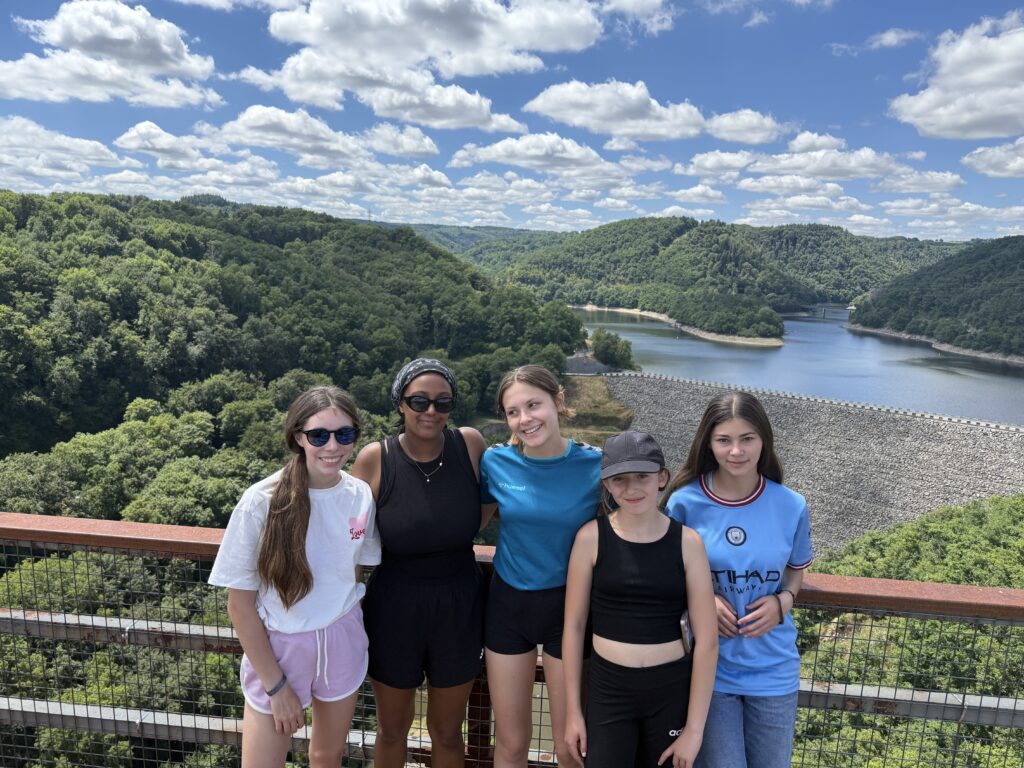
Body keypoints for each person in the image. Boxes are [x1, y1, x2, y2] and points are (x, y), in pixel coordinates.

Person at [209, 386, 380, 768]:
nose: (332, 446)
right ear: (298, 437)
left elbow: (353, 568)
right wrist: (276, 686)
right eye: (319, 435)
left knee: (326, 757)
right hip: (281, 651)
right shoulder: (261, 501)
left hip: (343, 639)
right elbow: (239, 606)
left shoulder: (360, 495)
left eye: (344, 434)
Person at [662, 391, 813, 768]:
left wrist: (783, 602)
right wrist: (703, 601)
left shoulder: (791, 505)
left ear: (764, 440)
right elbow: (666, 578)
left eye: (747, 439)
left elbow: (796, 569)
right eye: (723, 440)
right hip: (709, 672)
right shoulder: (684, 503)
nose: (736, 451)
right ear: (708, 444)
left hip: (774, 669)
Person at [351, 358, 487, 768]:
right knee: (392, 730)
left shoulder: (470, 445)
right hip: (394, 605)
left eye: (443, 402)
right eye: (419, 401)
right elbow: (349, 541)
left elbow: (489, 507)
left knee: (448, 731)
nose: (431, 411)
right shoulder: (375, 459)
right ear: (400, 403)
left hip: (459, 604)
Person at [563, 431, 718, 768]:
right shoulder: (590, 538)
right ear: (606, 484)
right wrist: (573, 713)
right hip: (609, 690)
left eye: (642, 477)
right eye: (619, 479)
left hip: (671, 690)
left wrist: (694, 730)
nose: (631, 488)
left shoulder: (688, 543)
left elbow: (707, 641)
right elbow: (574, 627)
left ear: (662, 478)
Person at [479, 364, 602, 767]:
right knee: (511, 742)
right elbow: (471, 524)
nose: (525, 419)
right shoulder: (496, 462)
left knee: (570, 746)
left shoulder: (595, 465)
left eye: (534, 405)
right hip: (508, 606)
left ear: (558, 401)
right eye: (513, 412)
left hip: (570, 611)